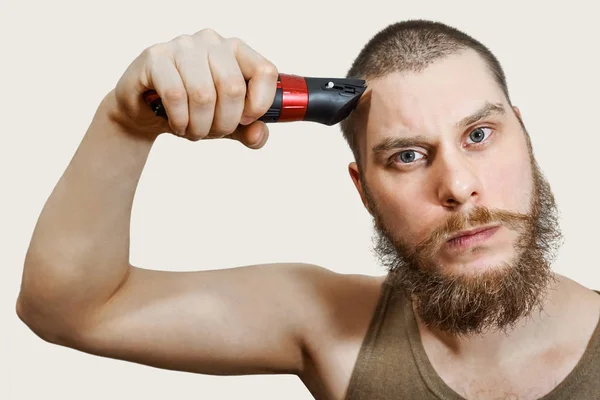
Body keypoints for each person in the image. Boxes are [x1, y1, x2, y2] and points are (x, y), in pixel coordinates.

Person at [16, 19, 600, 400]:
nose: (458, 186)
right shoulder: (331, 327)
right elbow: (71, 309)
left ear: (523, 134)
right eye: (408, 155)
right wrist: (124, 124)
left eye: (479, 135)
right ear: (363, 191)